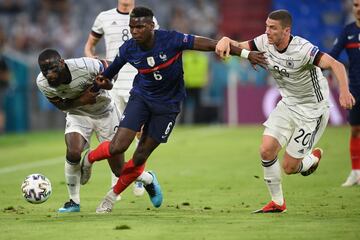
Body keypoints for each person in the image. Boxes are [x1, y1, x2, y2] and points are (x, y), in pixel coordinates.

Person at [80, 6, 267, 213]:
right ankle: (89, 159)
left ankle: (111, 196)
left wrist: (246, 54)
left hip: (169, 105)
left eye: (140, 27)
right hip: (141, 98)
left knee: (140, 156)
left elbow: (210, 45)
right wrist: (96, 88)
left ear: (152, 26)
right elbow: (108, 73)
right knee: (117, 147)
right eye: (132, 27)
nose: (135, 31)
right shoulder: (128, 49)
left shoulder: (171, 39)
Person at [216, 9, 355, 213]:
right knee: (266, 150)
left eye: (272, 28)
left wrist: (344, 91)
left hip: (312, 111)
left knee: (289, 167)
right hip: (288, 104)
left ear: (286, 31)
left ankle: (310, 160)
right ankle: (277, 202)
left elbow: (336, 64)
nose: (267, 31)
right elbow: (238, 47)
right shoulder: (264, 42)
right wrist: (226, 39)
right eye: (266, 26)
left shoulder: (303, 50)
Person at [36, 48, 155, 212]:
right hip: (78, 114)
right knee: (73, 152)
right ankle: (73, 202)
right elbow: (61, 105)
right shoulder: (42, 83)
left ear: (62, 63)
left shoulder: (85, 65)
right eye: (45, 71)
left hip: (106, 113)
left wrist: (109, 82)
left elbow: (112, 68)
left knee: (119, 170)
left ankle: (148, 178)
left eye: (53, 69)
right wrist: (82, 100)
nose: (49, 75)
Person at [84, 0, 159, 196]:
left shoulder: (147, 18)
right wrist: (93, 61)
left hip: (139, 83)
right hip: (113, 85)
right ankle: (115, 181)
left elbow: (156, 46)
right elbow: (89, 46)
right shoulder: (104, 17)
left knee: (141, 134)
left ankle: (139, 176)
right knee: (116, 136)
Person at [329, 0, 360, 187]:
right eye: (356, 5)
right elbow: (331, 57)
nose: (358, 9)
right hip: (356, 90)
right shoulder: (348, 31)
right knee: (355, 130)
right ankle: (356, 172)